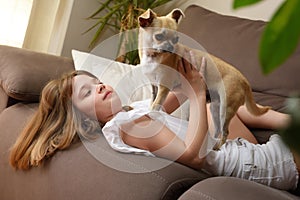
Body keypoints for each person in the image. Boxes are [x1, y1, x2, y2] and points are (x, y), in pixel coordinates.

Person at [10, 51, 299, 192]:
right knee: (209, 102)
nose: (99, 86)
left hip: (238, 151)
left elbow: (170, 98)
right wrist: (196, 92)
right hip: (257, 166)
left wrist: (185, 78)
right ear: (83, 120)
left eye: (95, 82)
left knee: (217, 105)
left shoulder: (129, 113)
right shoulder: (128, 126)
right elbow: (192, 157)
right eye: (88, 93)